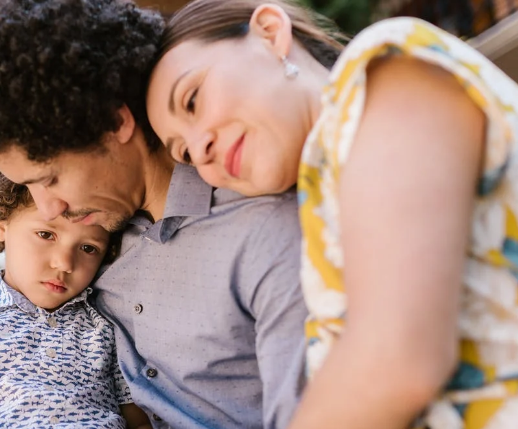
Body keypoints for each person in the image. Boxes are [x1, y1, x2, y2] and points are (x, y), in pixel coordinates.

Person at [146, 0, 518, 428]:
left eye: (192, 100)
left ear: (269, 33)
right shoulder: (319, 205)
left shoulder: (386, 67)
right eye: (185, 154)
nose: (201, 149)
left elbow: (397, 358)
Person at [0, 1, 308, 428]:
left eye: (50, 179)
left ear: (115, 124)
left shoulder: (262, 227)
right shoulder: (96, 247)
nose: (49, 209)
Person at [0, 165, 150, 429]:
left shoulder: (107, 321)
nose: (64, 263)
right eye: (46, 234)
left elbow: (137, 419)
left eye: (88, 248)